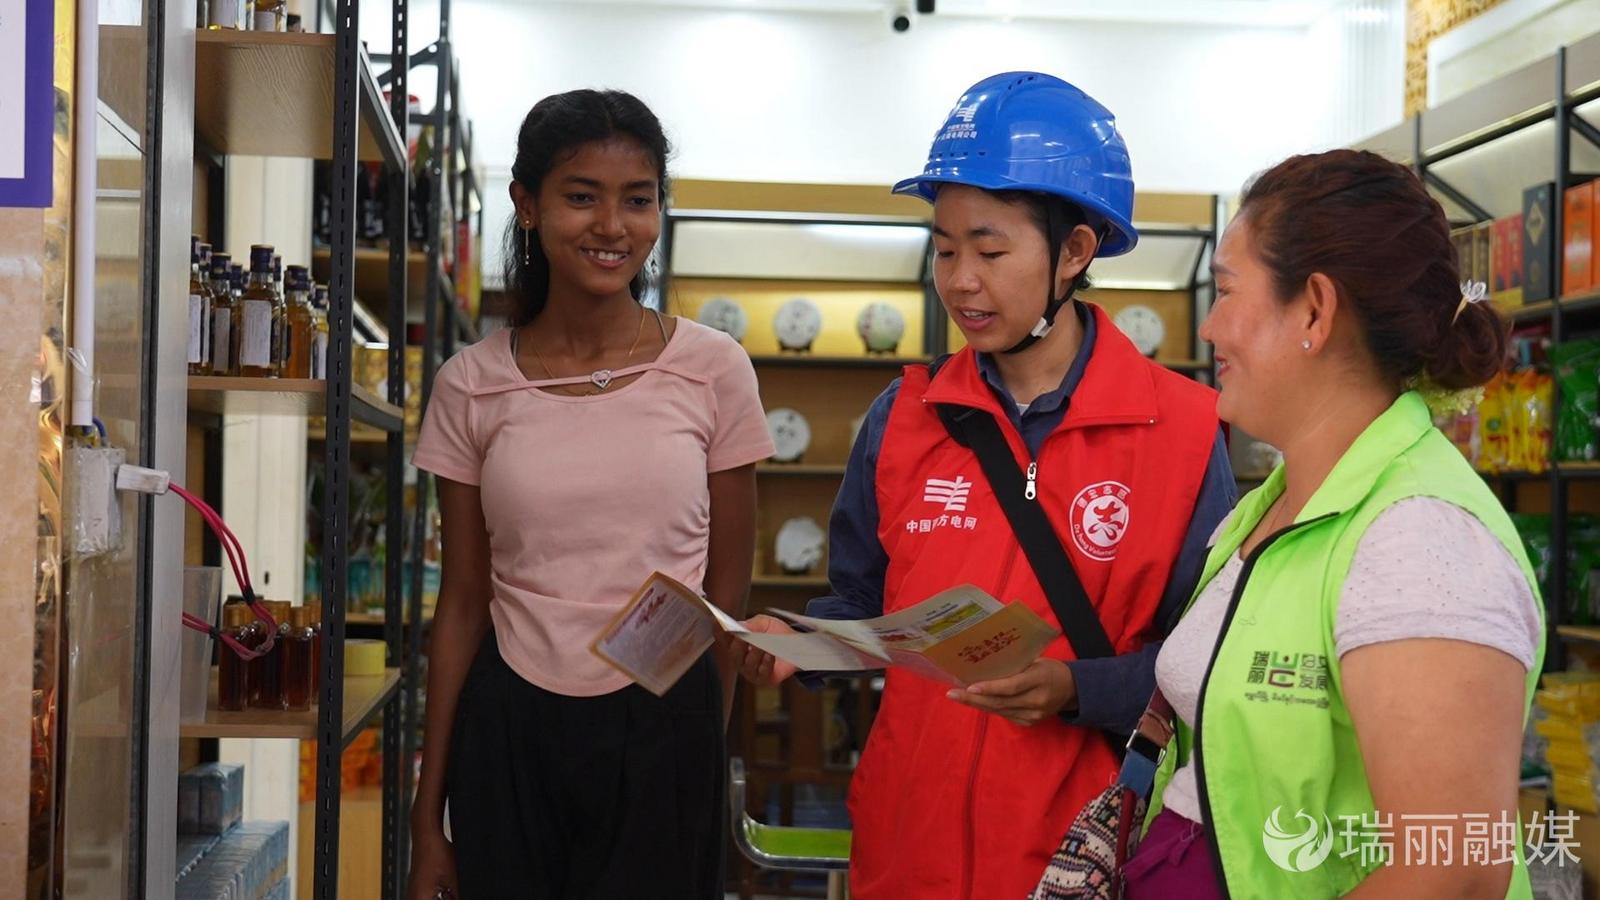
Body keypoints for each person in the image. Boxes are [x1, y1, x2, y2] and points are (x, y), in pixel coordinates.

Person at [734, 71, 1236, 900]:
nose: (960, 279)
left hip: (1078, 861)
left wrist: (1078, 689)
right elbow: (863, 603)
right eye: (944, 249)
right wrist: (793, 644)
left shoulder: (1181, 431)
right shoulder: (906, 415)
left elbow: (1214, 659)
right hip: (908, 851)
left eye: (991, 251)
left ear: (1074, 252)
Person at [1125, 149, 1546, 898]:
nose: (1211, 326)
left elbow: (1452, 869)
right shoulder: (1275, 505)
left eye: (1228, 290)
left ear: (1315, 311)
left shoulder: (1421, 540)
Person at [405, 89, 774, 900]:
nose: (613, 226)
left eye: (637, 200)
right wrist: (427, 819)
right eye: (582, 197)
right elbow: (461, 603)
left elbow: (726, 588)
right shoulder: (470, 384)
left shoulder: (713, 369)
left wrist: (695, 744)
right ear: (527, 204)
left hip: (666, 723)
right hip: (509, 731)